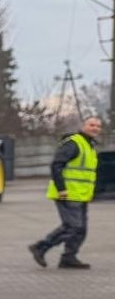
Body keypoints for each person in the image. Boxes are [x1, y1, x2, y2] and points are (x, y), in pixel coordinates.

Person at [29, 115, 102, 269]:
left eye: (97, 126)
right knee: (72, 226)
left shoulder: (90, 146)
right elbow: (56, 165)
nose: (95, 128)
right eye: (91, 125)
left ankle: (69, 257)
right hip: (67, 193)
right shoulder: (73, 143)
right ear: (83, 126)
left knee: (81, 229)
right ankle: (41, 247)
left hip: (81, 195)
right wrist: (62, 188)